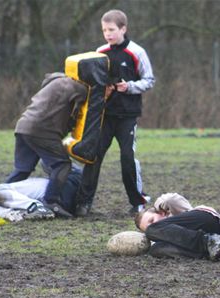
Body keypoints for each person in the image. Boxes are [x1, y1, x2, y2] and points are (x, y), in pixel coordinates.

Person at [75, 9, 155, 216]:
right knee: (93, 157)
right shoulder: (100, 52)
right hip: (104, 116)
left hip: (127, 117)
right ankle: (83, 203)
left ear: (123, 29)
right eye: (104, 30)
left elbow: (149, 81)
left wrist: (129, 87)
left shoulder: (137, 52)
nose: (108, 34)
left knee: (127, 158)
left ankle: (137, 203)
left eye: (111, 30)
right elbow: (93, 83)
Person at [5, 72, 89, 218]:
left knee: (22, 169)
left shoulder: (55, 82)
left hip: (23, 126)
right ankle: (51, 202)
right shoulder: (77, 87)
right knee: (62, 165)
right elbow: (90, 104)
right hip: (43, 131)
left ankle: (0, 195)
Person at [134, 193, 220, 261]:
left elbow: (170, 199)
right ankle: (213, 251)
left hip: (206, 220)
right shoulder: (162, 234)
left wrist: (158, 206)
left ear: (161, 212)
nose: (153, 225)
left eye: (152, 220)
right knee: (155, 249)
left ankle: (210, 241)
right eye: (148, 226)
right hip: (201, 244)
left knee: (151, 230)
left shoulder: (173, 210)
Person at [0, 163, 82, 221]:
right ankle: (14, 215)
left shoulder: (58, 152)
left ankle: (36, 207)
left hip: (49, 189)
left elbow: (47, 164)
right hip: (62, 200)